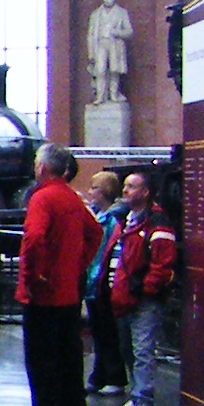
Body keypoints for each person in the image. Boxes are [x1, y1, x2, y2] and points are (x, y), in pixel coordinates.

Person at [16, 142, 95, 406]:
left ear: (42, 167)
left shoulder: (42, 198)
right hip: (68, 292)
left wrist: (33, 276)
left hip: (44, 295)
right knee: (69, 360)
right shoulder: (72, 198)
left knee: (42, 363)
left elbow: (34, 238)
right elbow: (95, 233)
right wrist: (78, 264)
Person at [112, 169, 182, 406]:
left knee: (142, 349)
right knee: (129, 348)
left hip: (142, 298)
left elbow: (162, 263)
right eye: (125, 186)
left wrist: (146, 290)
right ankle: (137, 394)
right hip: (126, 296)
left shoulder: (156, 223)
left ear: (145, 192)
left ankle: (144, 400)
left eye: (131, 186)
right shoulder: (128, 220)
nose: (125, 191)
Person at [82, 167, 127, 394]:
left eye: (95, 188)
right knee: (98, 330)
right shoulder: (100, 217)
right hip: (94, 279)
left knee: (108, 331)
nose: (90, 192)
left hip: (103, 280)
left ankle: (114, 376)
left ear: (106, 191)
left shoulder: (112, 220)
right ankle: (99, 375)